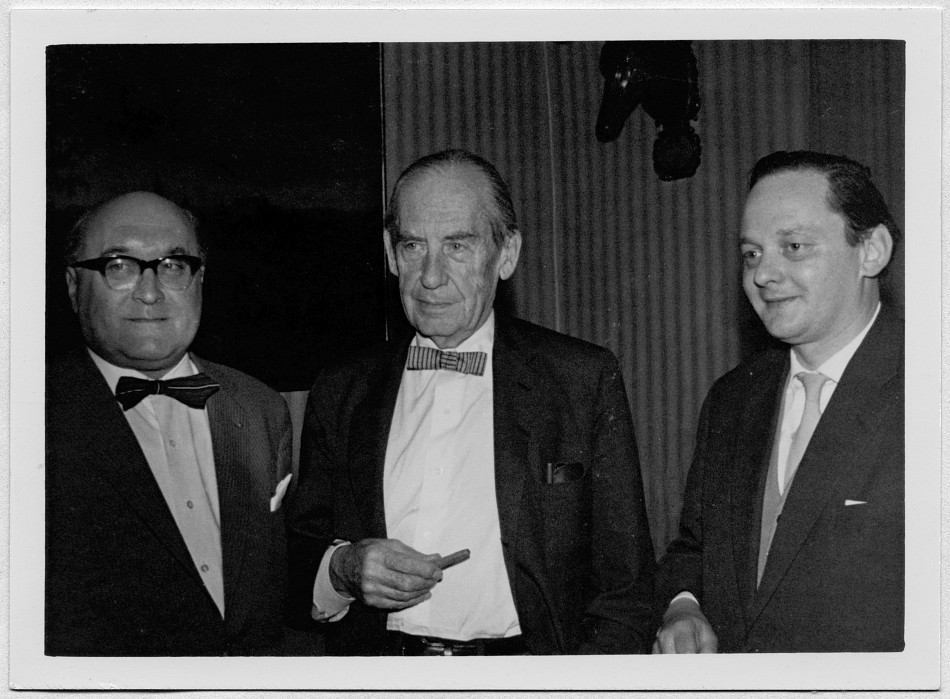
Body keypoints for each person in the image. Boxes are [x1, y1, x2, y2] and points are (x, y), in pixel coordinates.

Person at [286, 149, 655, 655]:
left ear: (506, 255)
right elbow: (291, 561)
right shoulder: (342, 388)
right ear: (391, 256)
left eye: (457, 245)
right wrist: (344, 568)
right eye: (413, 245)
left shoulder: (580, 380)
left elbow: (625, 592)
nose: (431, 276)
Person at [654, 150, 903, 653]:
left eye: (793, 246)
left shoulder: (929, 392)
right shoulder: (732, 399)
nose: (763, 274)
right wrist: (684, 605)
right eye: (752, 253)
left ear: (871, 250)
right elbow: (694, 549)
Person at [46, 192, 295, 655]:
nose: (150, 291)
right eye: (118, 265)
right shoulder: (27, 420)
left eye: (173, 265)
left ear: (200, 280)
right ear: (73, 286)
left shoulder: (261, 408)